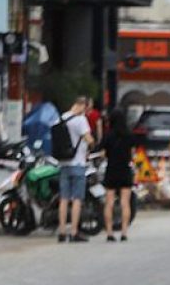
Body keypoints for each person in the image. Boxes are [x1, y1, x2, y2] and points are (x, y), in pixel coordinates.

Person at [57, 96, 94, 243]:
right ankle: (73, 231)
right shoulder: (81, 120)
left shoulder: (61, 118)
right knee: (77, 199)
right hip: (77, 163)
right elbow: (88, 139)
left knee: (64, 199)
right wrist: (92, 144)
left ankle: (61, 231)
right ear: (83, 106)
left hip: (63, 164)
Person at [100, 108, 135, 242]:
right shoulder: (129, 135)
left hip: (111, 170)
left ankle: (109, 232)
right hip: (125, 170)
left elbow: (102, 152)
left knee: (109, 202)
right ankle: (124, 232)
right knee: (125, 202)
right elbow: (132, 153)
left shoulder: (108, 135)